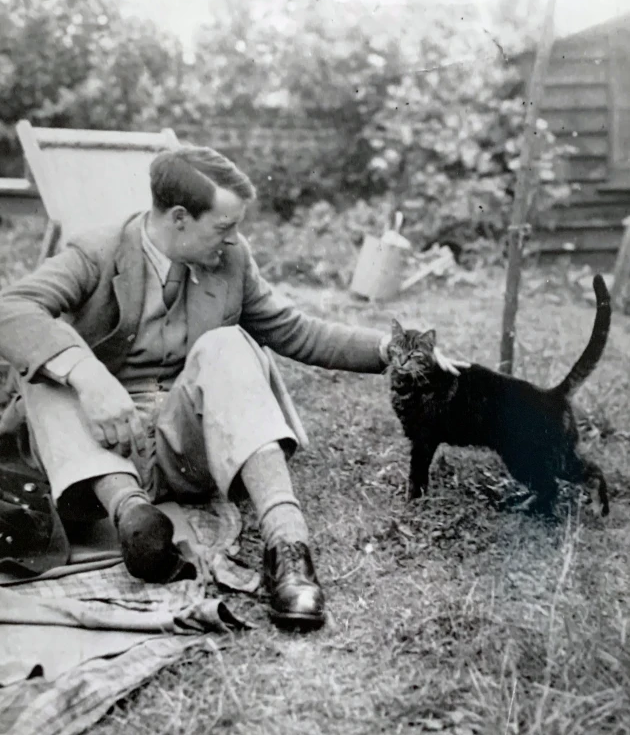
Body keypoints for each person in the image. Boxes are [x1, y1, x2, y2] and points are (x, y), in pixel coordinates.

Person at [0, 147, 466, 629]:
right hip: (101, 451)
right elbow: (10, 308)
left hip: (184, 447)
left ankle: (288, 548)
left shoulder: (231, 260)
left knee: (229, 343)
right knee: (47, 366)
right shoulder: (96, 251)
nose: (233, 238)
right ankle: (136, 521)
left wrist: (390, 347)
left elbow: (294, 330)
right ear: (179, 218)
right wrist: (88, 375)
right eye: (223, 226)